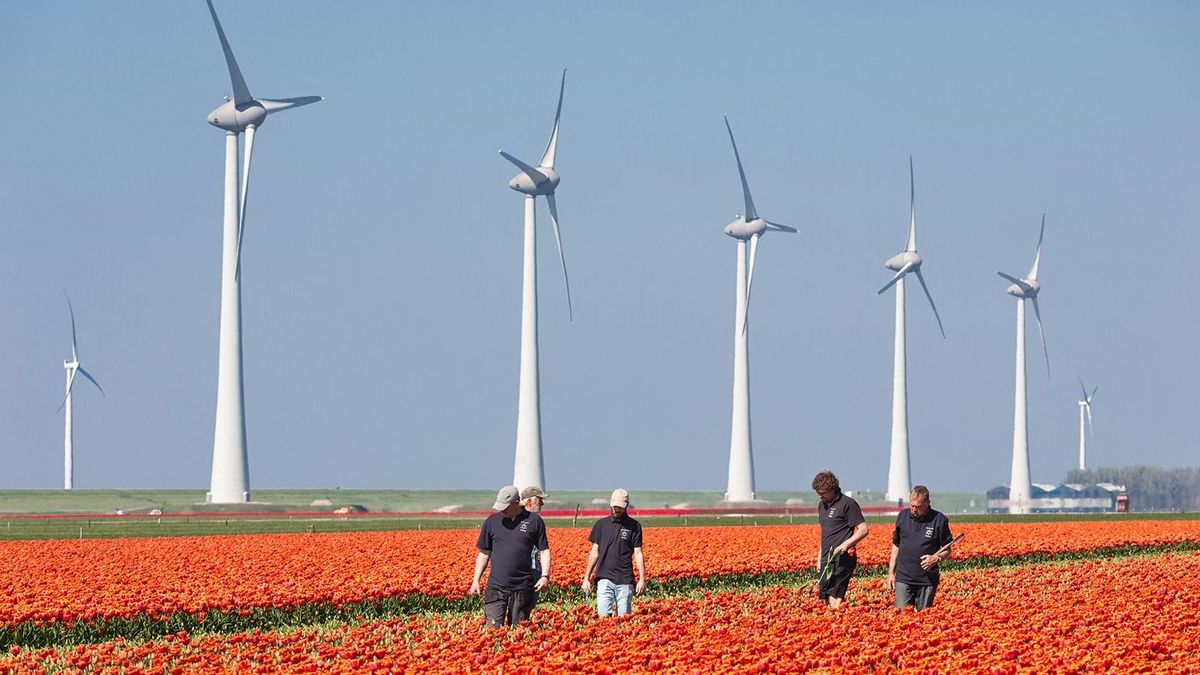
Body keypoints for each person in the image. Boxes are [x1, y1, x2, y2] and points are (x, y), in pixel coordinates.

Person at [468, 485, 551, 627]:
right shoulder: (491, 522)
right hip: (496, 586)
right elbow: (484, 553)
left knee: (519, 628)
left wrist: (544, 576)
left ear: (516, 503)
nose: (502, 510)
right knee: (493, 629)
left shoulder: (534, 521)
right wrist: (476, 580)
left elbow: (544, 551)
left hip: (522, 586)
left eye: (505, 507)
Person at [887, 485, 953, 611]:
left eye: (918, 507)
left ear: (927, 503)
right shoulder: (902, 516)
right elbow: (896, 546)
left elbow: (947, 549)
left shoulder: (939, 520)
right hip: (904, 576)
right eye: (911, 505)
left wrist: (936, 558)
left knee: (923, 619)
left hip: (926, 580)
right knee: (900, 618)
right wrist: (891, 573)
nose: (913, 509)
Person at [581, 488, 646, 617]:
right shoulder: (601, 525)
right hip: (604, 578)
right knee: (603, 617)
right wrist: (586, 578)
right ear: (611, 504)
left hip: (625, 579)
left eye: (620, 507)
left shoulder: (634, 526)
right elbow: (594, 552)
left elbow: (638, 553)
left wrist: (642, 579)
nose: (617, 509)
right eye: (615, 506)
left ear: (626, 505)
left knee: (624, 619)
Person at [812, 470, 869, 608]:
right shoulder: (822, 505)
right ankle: (830, 623)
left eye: (823, 493)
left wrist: (846, 545)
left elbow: (863, 529)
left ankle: (837, 623)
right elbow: (825, 533)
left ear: (832, 489)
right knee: (825, 594)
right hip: (827, 557)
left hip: (842, 557)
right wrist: (820, 556)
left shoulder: (847, 504)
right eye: (818, 492)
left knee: (835, 594)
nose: (819, 496)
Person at [520, 486, 548, 606]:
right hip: (521, 572)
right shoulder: (515, 519)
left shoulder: (537, 520)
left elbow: (543, 549)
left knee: (529, 606)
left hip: (535, 570)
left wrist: (544, 574)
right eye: (539, 499)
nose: (542, 503)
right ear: (528, 501)